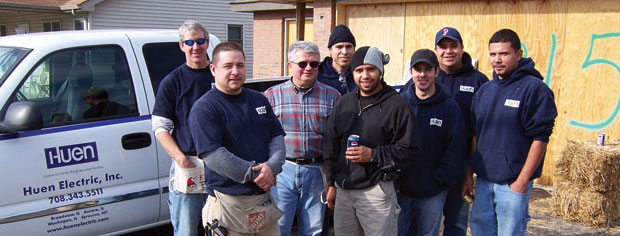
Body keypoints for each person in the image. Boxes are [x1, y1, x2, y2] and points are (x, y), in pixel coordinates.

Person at [188, 41, 286, 236]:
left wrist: (272, 166)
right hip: (228, 206)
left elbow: (276, 138)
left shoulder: (259, 99)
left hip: (262, 202)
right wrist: (256, 174)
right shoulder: (205, 108)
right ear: (213, 69)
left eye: (240, 65)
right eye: (228, 66)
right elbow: (214, 155)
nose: (235, 71)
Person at [467, 29, 558, 236]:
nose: (497, 60)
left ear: (518, 54)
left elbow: (540, 138)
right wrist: (469, 174)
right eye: (493, 54)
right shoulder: (485, 91)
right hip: (484, 181)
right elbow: (475, 134)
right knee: (480, 231)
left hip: (511, 184)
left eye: (504, 54)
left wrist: (521, 182)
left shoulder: (534, 89)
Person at [323, 46, 421, 236]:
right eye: (359, 70)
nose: (365, 75)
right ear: (353, 73)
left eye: (371, 69)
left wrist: (373, 155)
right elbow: (330, 146)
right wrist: (331, 184)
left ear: (381, 71)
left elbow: (411, 150)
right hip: (344, 190)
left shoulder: (397, 105)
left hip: (378, 190)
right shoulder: (344, 103)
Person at [264, 41, 341, 236]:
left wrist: (333, 179)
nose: (308, 68)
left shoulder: (332, 96)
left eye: (314, 64)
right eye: (302, 64)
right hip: (282, 171)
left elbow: (339, 140)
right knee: (278, 228)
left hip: (317, 171)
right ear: (290, 65)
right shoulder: (271, 96)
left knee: (313, 231)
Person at [151, 19, 213, 236]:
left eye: (200, 41)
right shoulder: (172, 82)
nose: (195, 47)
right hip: (189, 165)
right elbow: (160, 127)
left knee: (223, 229)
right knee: (186, 230)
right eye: (189, 42)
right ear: (181, 46)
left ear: (207, 43)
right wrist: (181, 159)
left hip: (221, 165)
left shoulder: (221, 74)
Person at [397, 49, 467, 236]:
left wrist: (438, 181)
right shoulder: (400, 103)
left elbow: (455, 150)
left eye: (427, 69)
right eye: (417, 69)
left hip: (432, 192)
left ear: (436, 72)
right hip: (402, 190)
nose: (422, 74)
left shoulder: (449, 107)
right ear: (411, 72)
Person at [432, 26, 489, 236]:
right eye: (443, 47)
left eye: (453, 46)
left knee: (456, 223)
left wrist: (469, 173)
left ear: (462, 48)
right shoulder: (426, 78)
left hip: (460, 167)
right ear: (436, 50)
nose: (448, 51)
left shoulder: (479, 82)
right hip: (430, 165)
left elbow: (479, 131)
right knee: (427, 221)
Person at [317, 24, 357, 95]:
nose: (344, 52)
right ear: (330, 50)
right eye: (339, 47)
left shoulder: (360, 74)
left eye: (348, 47)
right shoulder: (317, 74)